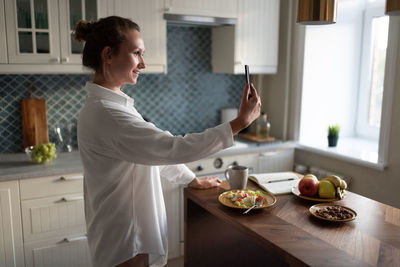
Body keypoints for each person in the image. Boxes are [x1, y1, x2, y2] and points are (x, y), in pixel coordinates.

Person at [75, 16, 261, 267]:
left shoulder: (111, 105)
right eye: (136, 53)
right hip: (127, 238)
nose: (142, 63)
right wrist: (240, 123)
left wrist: (192, 180)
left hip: (123, 234)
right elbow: (173, 148)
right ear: (108, 54)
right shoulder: (109, 113)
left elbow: (153, 155)